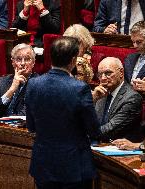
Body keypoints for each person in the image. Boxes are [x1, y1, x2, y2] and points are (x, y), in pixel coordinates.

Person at [25, 36, 101, 189]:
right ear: (73, 60)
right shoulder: (80, 88)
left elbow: (31, 126)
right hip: (73, 167)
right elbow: (94, 130)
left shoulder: (33, 84)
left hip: (44, 164)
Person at [92, 57, 142, 142]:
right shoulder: (101, 93)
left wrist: (82, 133)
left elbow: (110, 130)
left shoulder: (132, 98)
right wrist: (92, 100)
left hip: (117, 148)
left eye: (108, 73)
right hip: (98, 142)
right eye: (100, 74)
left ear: (121, 72)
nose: (103, 78)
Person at [0, 43, 37, 117]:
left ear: (33, 62)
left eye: (27, 59)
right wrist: (11, 90)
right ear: (13, 62)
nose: (22, 63)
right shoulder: (3, 81)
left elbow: (25, 116)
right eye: (19, 59)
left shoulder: (38, 84)